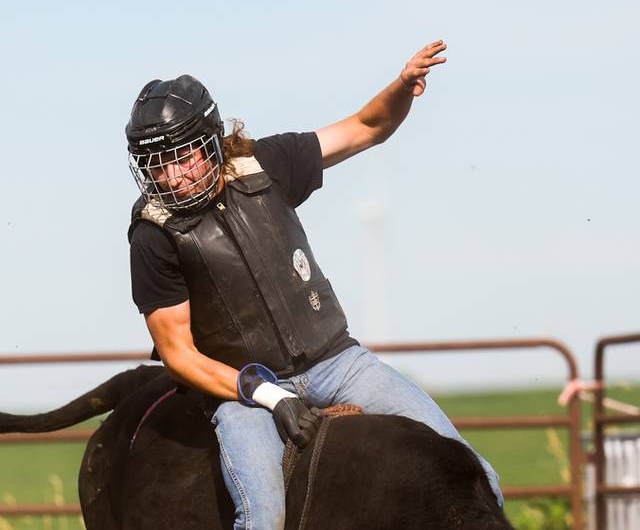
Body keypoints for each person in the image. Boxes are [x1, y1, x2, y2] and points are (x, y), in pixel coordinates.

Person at [126, 40, 503, 530]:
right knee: (263, 519)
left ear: (211, 141)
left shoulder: (268, 163)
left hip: (340, 364)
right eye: (157, 164)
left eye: (182, 157)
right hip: (245, 390)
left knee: (483, 481)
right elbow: (178, 355)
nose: (171, 177)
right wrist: (267, 395)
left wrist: (403, 87)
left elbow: (368, 126)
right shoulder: (153, 234)